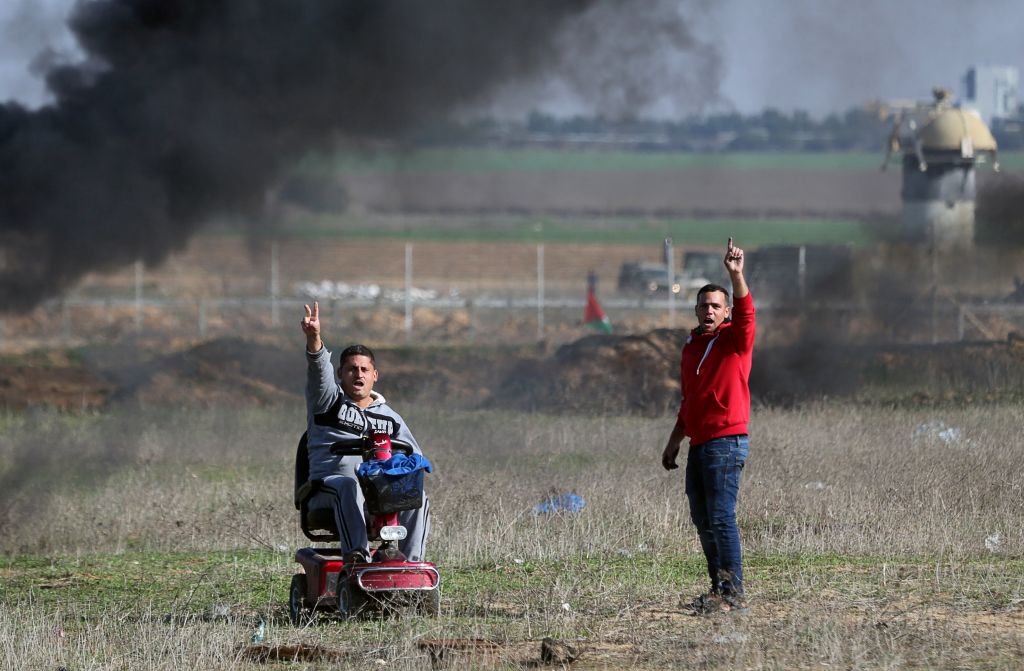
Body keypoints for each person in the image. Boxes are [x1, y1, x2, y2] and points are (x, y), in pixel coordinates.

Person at [661, 238, 754, 614]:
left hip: (726, 442)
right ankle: (718, 590)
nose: (709, 311)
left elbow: (747, 314)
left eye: (716, 306)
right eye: (704, 306)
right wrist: (674, 441)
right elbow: (690, 400)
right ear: (696, 310)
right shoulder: (692, 348)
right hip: (699, 443)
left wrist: (736, 275)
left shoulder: (735, 341)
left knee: (721, 517)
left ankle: (733, 594)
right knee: (702, 520)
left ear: (726, 311)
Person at [300, 301, 430, 564]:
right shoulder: (326, 401)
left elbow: (412, 457)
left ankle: (411, 566)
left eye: (364, 369)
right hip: (328, 488)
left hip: (378, 493)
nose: (358, 374)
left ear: (375, 375)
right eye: (351, 369)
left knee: (419, 496)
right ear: (341, 373)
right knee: (348, 485)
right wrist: (314, 338)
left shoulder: (391, 418)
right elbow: (319, 372)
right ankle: (357, 559)